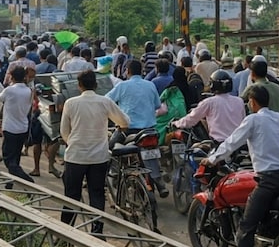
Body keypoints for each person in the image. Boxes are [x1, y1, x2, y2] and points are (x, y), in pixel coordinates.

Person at [200, 85, 279, 247]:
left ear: (252, 102)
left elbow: (232, 142)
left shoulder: (252, 120)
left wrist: (212, 159)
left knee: (246, 227)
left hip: (269, 181)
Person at [60, 70, 130, 233]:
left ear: (79, 86)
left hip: (75, 156)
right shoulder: (104, 102)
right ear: (96, 85)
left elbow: (64, 132)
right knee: (97, 194)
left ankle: (66, 232)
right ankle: (97, 231)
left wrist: (74, 143)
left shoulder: (70, 103)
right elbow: (125, 121)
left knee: (71, 196)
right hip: (99, 157)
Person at [105, 59, 166, 196]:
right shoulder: (150, 85)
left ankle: (113, 175)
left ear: (128, 71)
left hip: (129, 130)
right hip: (150, 130)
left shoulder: (122, 86)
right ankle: (160, 183)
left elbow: (106, 101)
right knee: (153, 154)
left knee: (110, 149)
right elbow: (157, 105)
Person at [172, 70, 245, 143]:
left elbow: (191, 119)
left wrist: (176, 123)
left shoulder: (209, 102)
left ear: (212, 85)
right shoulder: (239, 101)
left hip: (219, 144)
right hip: (238, 143)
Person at [0, 67, 35, 187]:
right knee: (16, 156)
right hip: (23, 127)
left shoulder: (9, 90)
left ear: (12, 77)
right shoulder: (29, 91)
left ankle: (25, 179)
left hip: (10, 128)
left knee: (8, 158)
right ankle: (10, 182)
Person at [154, 67, 188, 143]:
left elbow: (160, 100)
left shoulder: (169, 88)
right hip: (185, 117)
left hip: (168, 116)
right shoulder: (188, 87)